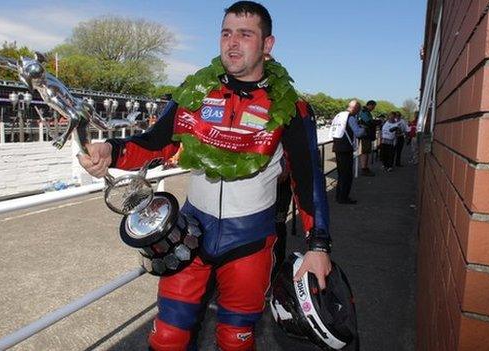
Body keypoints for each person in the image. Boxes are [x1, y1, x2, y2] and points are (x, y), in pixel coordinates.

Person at [78, 2, 332, 350]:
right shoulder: (194, 92)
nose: (232, 43)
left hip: (251, 240)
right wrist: (111, 150)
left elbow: (309, 180)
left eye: (245, 35)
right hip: (190, 232)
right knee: (167, 336)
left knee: (235, 339)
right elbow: (155, 144)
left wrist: (317, 245)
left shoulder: (291, 107)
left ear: (267, 45)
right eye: (226, 33)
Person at [330, 100, 365, 204]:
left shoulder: (339, 116)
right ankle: (343, 197)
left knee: (341, 173)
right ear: (356, 109)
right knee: (347, 174)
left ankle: (339, 196)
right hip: (346, 149)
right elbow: (358, 133)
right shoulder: (350, 118)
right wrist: (363, 128)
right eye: (358, 110)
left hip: (337, 147)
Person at [357, 100, 378, 176]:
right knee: (365, 151)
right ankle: (364, 168)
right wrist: (376, 122)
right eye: (373, 107)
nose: (373, 108)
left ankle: (365, 167)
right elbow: (368, 122)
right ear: (370, 105)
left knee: (366, 151)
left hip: (366, 134)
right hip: (365, 135)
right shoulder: (364, 111)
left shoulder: (365, 111)